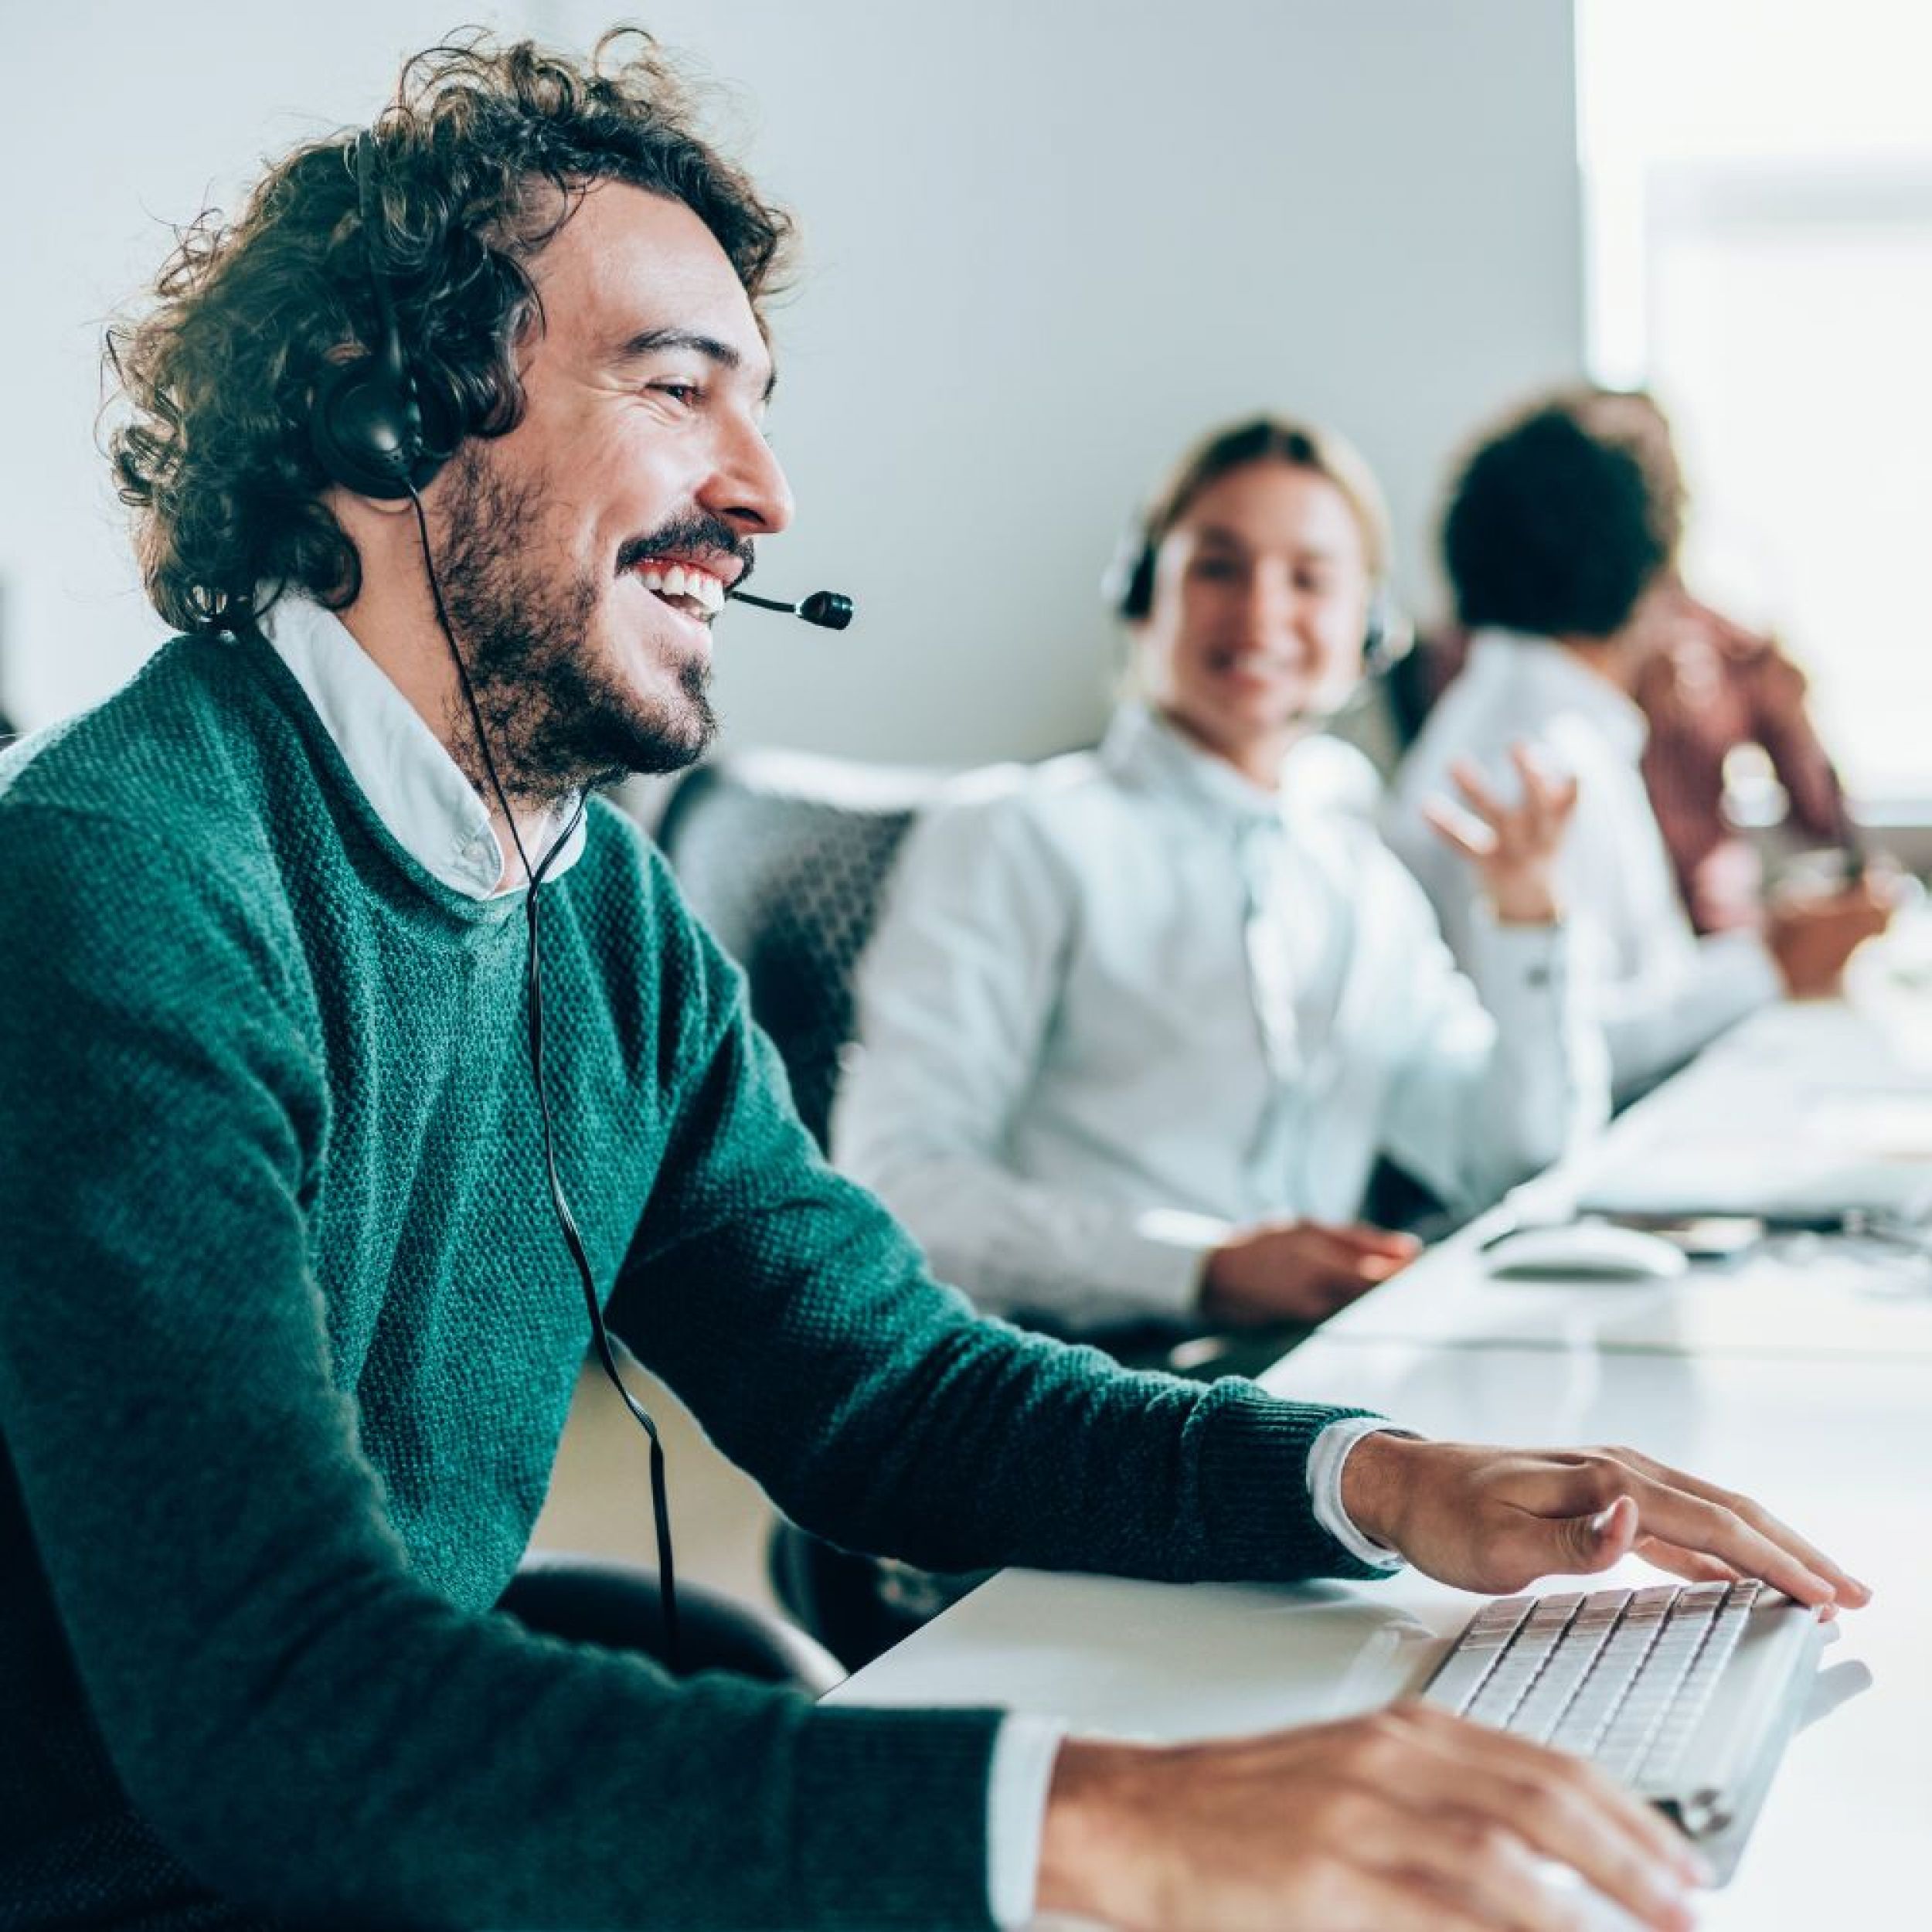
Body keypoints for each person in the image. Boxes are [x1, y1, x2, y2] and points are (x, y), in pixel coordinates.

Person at [0, 34, 1866, 1932]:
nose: (767, 493)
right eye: (676, 389)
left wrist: (1371, 1480)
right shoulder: (118, 885)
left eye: (765, 406)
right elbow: (273, 1709)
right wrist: (1101, 1820)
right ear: (382, 417)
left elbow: (880, 1386)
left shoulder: (592, 905)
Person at [834, 416, 1610, 1337]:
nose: (1261, 612)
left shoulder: (1353, 869)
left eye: (1309, 579)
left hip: (1302, 1378)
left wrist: (1529, 926)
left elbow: (1508, 1159)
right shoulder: (1017, 834)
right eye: (1218, 566)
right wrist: (1197, 1269)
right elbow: (902, 1191)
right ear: (1139, 592)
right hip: (1071, 1383)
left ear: (1367, 626)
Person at [1387, 398, 1892, 1104]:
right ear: (1658, 573)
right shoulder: (1541, 760)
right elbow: (1569, 1051)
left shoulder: (1519, 721)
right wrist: (1770, 963)